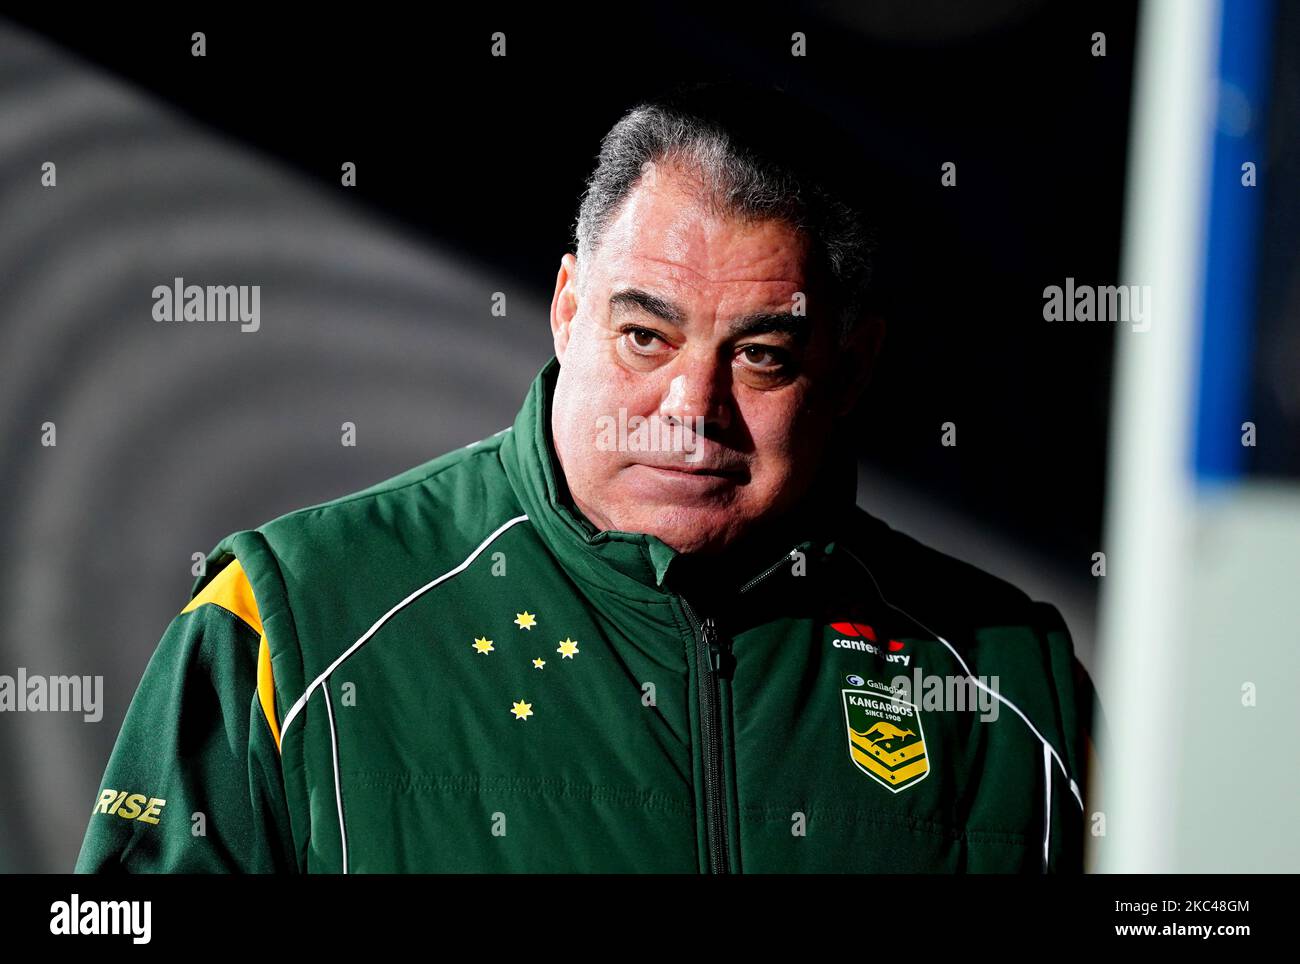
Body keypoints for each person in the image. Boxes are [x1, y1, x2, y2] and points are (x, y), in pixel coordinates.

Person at [76, 82, 1097, 873]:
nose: (690, 411)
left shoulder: (1010, 683)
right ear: (568, 308)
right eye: (644, 335)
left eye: (760, 356)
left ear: (850, 368)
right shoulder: (291, 622)